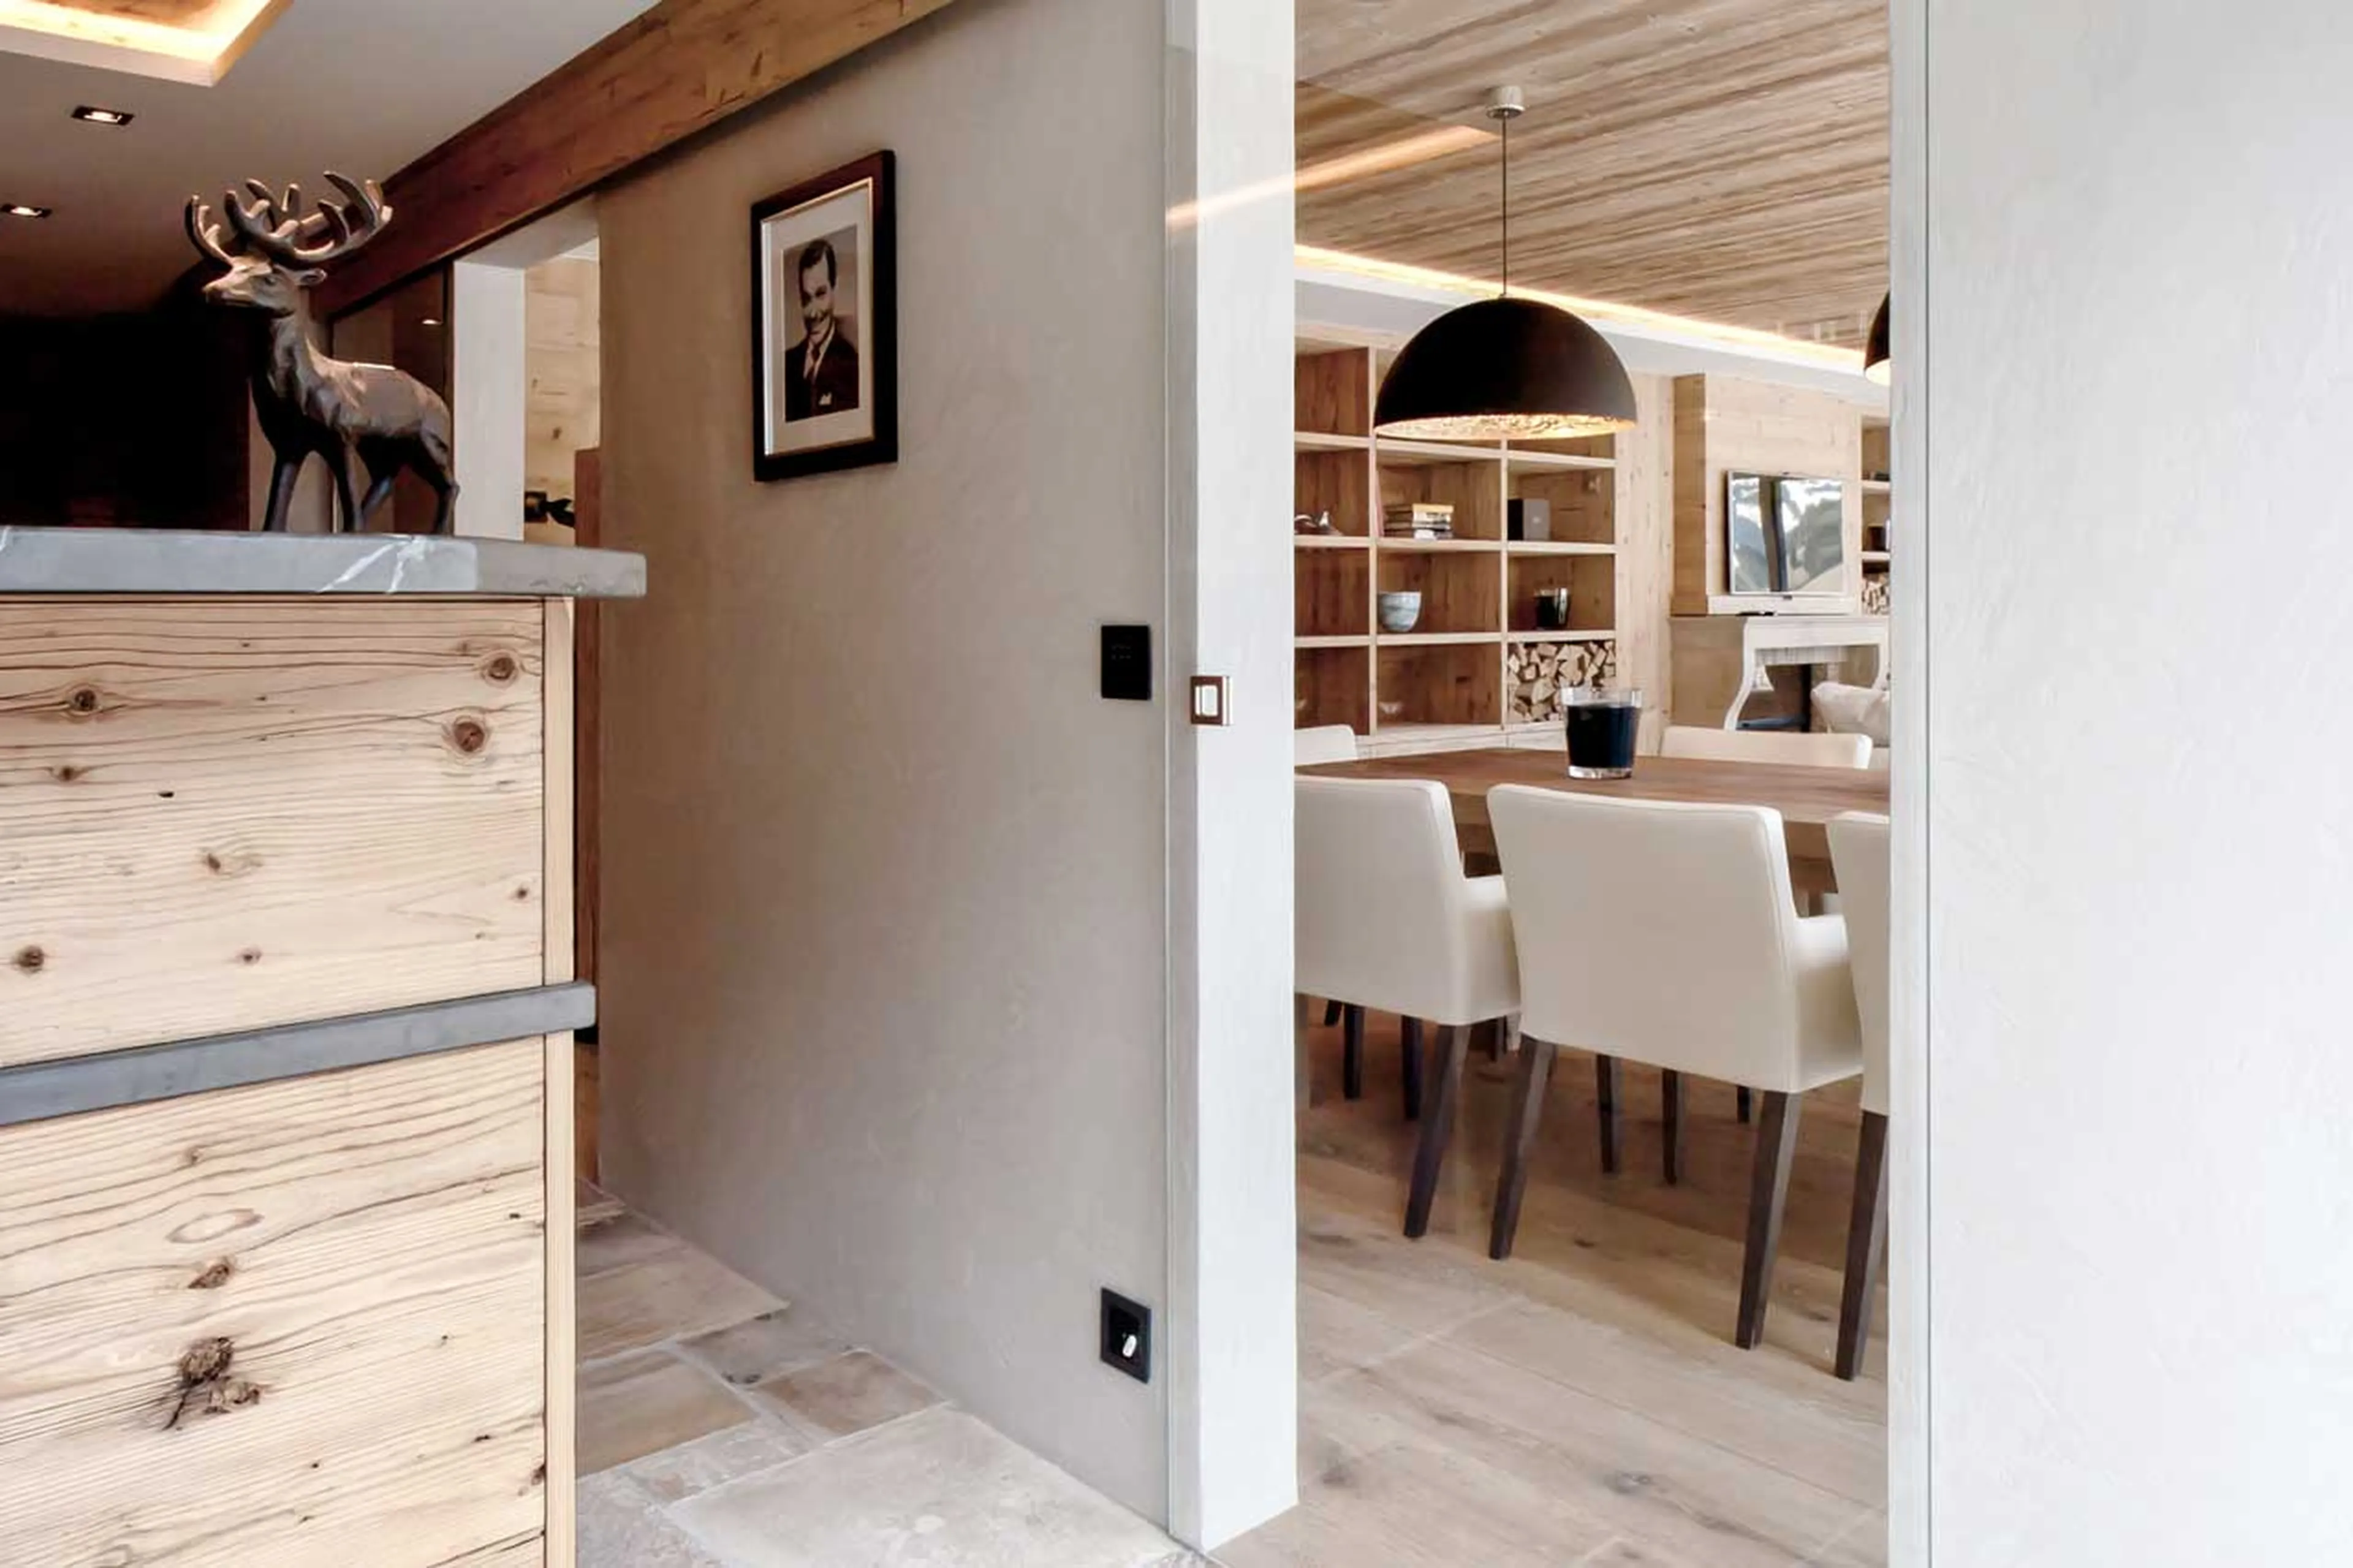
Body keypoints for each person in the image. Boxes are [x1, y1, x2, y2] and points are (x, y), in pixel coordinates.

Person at [784, 237, 859, 420]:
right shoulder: (786, 365)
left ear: (835, 288)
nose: (813, 313)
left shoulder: (853, 366)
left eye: (820, 294)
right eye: (806, 298)